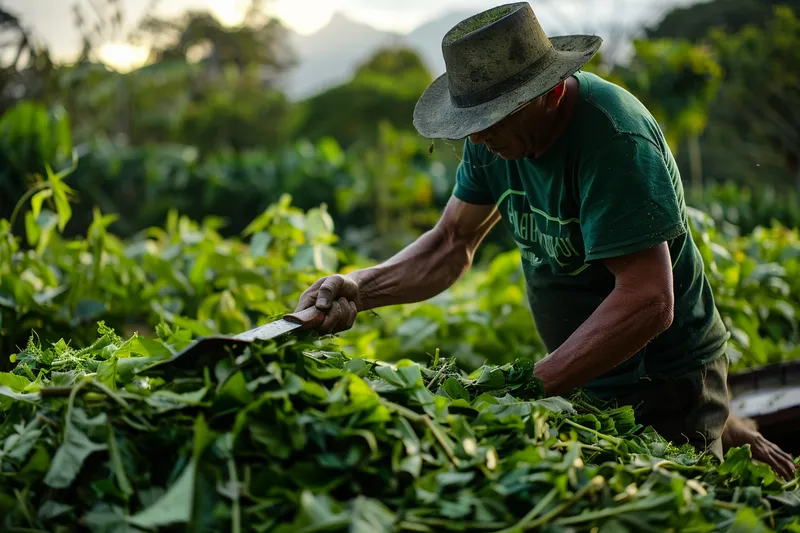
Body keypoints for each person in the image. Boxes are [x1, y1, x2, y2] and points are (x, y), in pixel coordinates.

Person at [293, 2, 796, 479]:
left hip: (662, 379)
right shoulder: (493, 140)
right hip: (580, 371)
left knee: (674, 506)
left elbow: (648, 299)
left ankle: (718, 418)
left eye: (491, 121)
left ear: (549, 94)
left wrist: (528, 388)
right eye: (470, 126)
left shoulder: (613, 139)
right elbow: (451, 242)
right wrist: (360, 287)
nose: (478, 139)